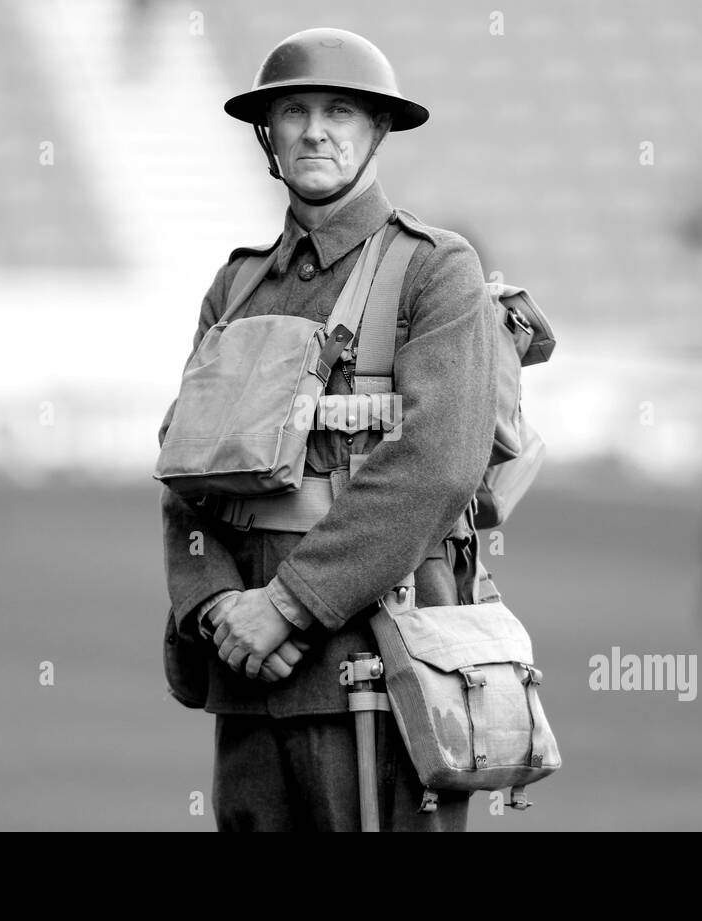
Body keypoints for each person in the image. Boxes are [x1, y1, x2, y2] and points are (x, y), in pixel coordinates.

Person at [157, 28, 499, 831]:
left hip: (383, 680)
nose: (315, 129)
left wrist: (288, 604)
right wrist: (215, 611)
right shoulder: (236, 287)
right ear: (266, 136)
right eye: (294, 111)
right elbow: (185, 478)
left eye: (340, 110)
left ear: (376, 131)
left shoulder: (435, 269)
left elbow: (438, 465)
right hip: (250, 677)